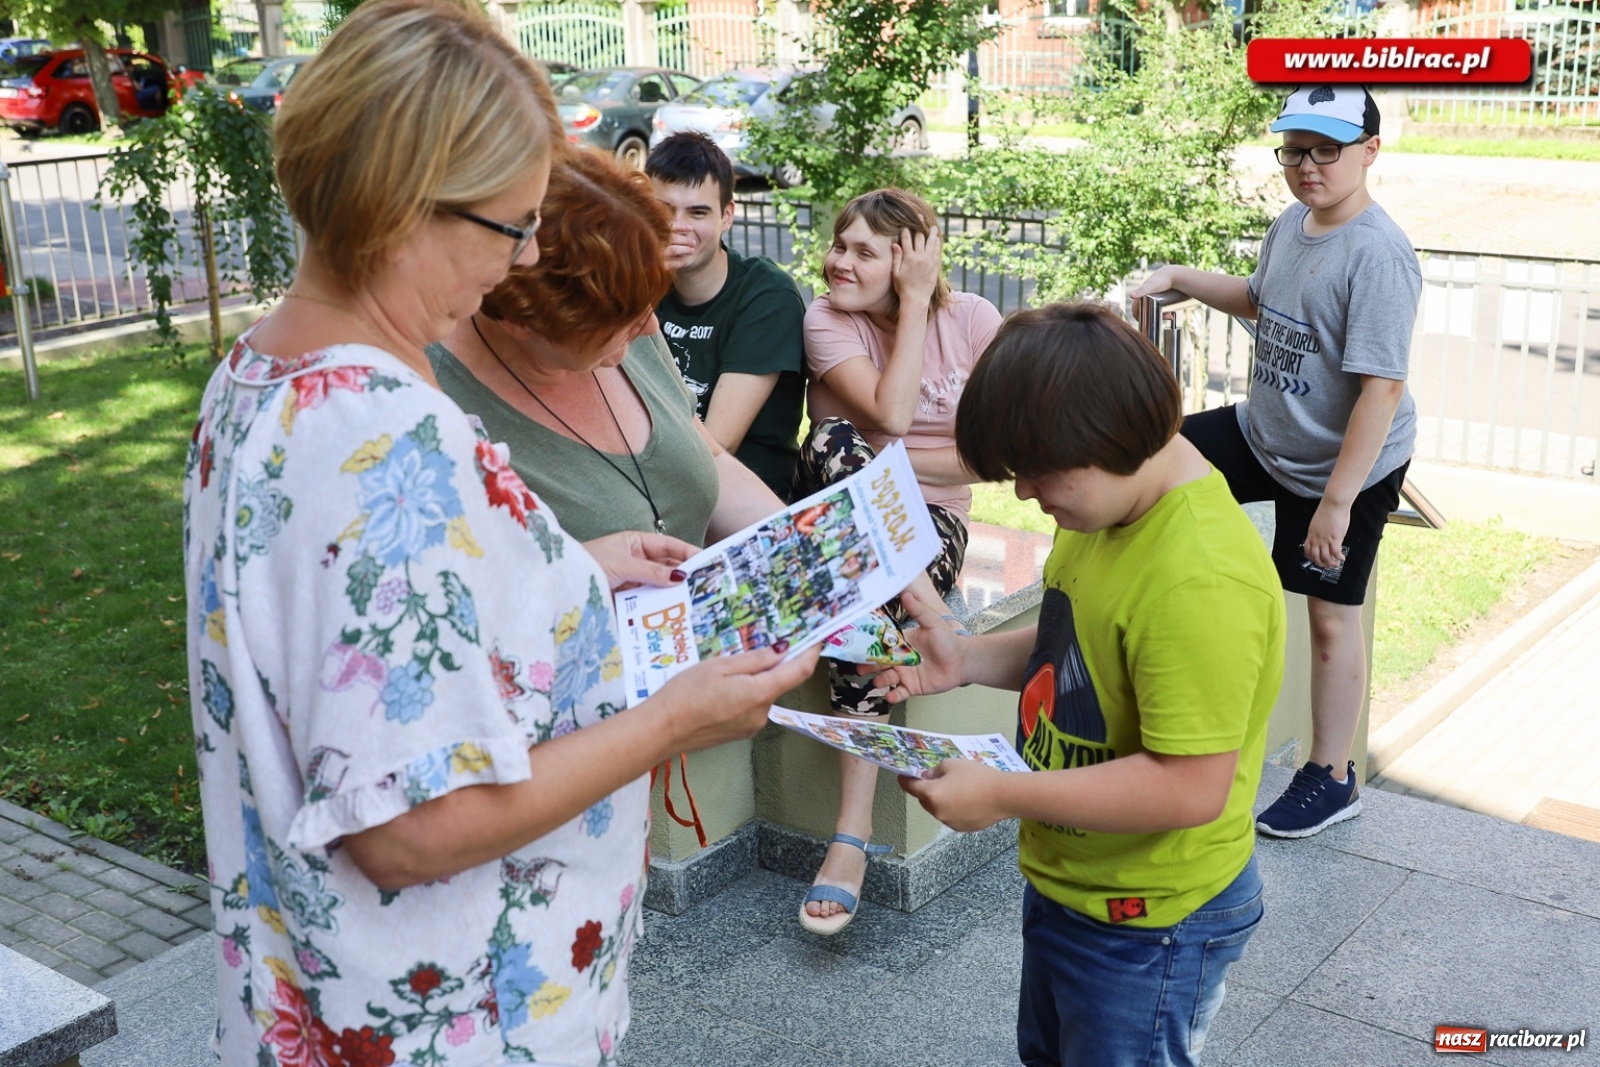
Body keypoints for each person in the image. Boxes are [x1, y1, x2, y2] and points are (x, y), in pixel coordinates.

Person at [182, 5, 817, 1065]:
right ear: (406, 209)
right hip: (463, 1018)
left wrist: (567, 571)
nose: (520, 256)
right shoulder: (385, 436)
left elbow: (363, 647)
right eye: (510, 223)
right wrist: (671, 719)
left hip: (320, 991)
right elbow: (410, 828)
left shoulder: (258, 375)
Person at [874, 302, 1284, 1067]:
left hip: (1151, 915)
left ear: (1107, 439)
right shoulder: (1106, 512)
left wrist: (1003, 793)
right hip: (1077, 881)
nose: (1026, 493)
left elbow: (1189, 786)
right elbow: (1077, 643)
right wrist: (965, 657)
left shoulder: (1198, 578)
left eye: (1038, 469)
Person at [426, 148, 799, 850]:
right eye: (614, 330)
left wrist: (807, 552)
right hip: (531, 795)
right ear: (521, 322)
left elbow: (701, 455)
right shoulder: (433, 402)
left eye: (645, 312)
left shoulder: (627, 313)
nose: (642, 335)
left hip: (628, 785)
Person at [1132, 84, 1420, 839]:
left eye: (1328, 150)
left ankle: (1331, 776)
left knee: (1329, 618)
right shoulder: (1293, 223)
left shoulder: (1379, 256)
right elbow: (1261, 303)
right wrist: (1178, 277)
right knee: (1145, 458)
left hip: (1344, 464)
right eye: (1295, 150)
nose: (1308, 166)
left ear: (1370, 151)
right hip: (1267, 433)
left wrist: (1334, 503)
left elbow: (1381, 392)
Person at [796, 187, 1001, 935]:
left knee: (867, 599)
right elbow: (878, 419)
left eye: (862, 251)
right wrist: (911, 309)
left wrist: (896, 466)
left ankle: (848, 837)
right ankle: (931, 609)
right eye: (838, 244)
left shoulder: (976, 320)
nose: (837, 262)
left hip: (927, 526)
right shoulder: (826, 318)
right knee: (831, 443)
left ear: (914, 257)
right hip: (834, 512)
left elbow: (999, 453)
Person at [645, 131, 806, 500]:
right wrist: (641, 282)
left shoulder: (766, 294)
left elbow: (716, 445)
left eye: (698, 212)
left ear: (727, 215)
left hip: (740, 497)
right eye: (663, 209)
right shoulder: (634, 282)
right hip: (651, 484)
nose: (677, 226)